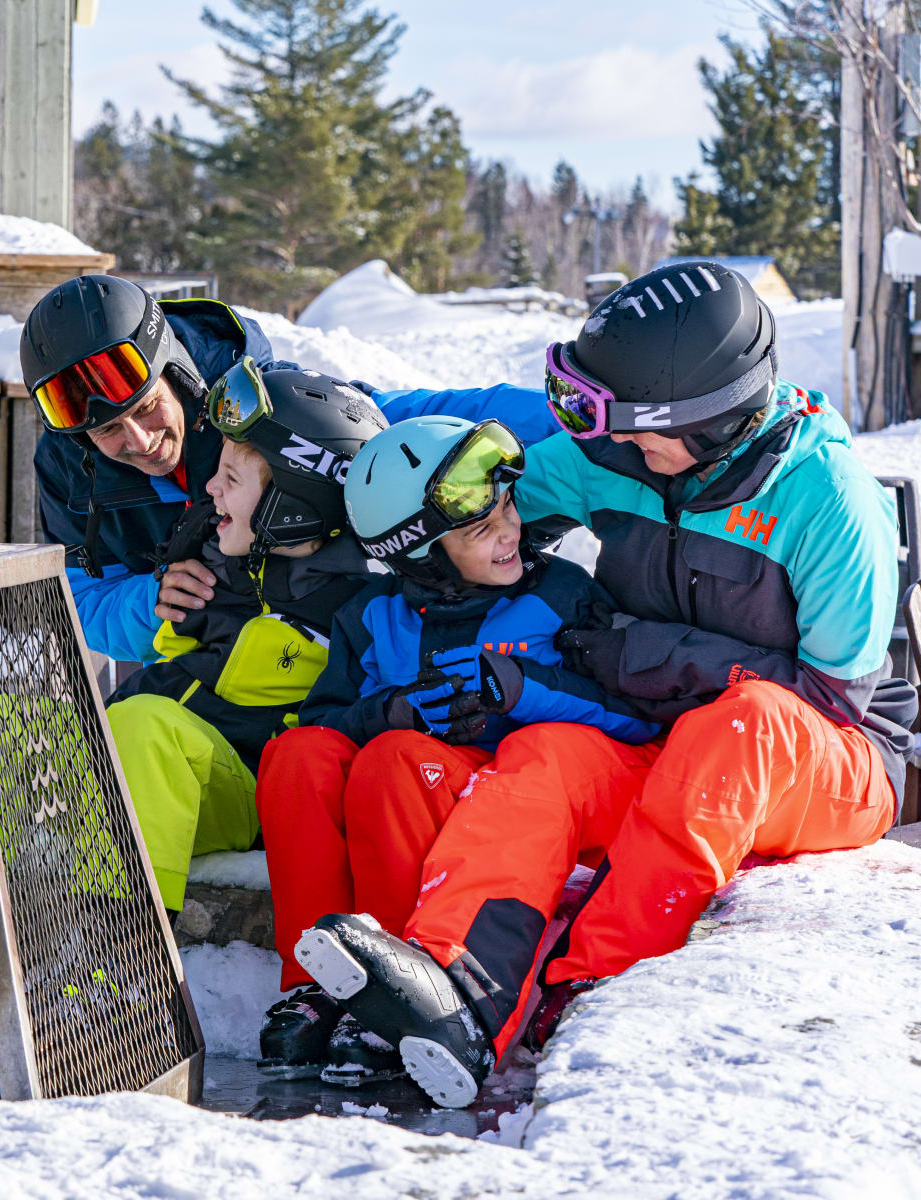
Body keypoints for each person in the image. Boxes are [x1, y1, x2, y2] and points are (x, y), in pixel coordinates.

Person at [290, 260, 917, 1109]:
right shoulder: (617, 460)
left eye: (632, 426)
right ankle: (455, 993)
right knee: (547, 754)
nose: (614, 443)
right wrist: (331, 444)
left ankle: (590, 983)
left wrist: (638, 651)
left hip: (832, 758)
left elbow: (829, 699)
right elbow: (466, 484)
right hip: (663, 733)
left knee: (740, 725)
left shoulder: (828, 500)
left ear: (708, 419)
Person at [256, 415, 660, 1086]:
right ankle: (316, 983)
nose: (509, 532)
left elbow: (633, 716)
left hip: (507, 800)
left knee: (395, 761)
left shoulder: (563, 595)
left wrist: (528, 692)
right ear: (421, 555)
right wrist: (387, 711)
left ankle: (393, 985)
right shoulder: (371, 617)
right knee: (298, 754)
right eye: (480, 529)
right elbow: (326, 721)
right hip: (405, 794)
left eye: (507, 508)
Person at [20, 276, 564, 666]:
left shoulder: (256, 405)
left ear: (176, 370)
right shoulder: (72, 470)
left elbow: (396, 424)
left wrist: (577, 414)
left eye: (145, 409)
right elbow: (81, 598)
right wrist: (148, 602)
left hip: (330, 653)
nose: (138, 442)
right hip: (205, 665)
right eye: (107, 430)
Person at [103, 359, 389, 914]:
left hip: (237, 793)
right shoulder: (213, 564)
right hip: (138, 769)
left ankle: (119, 952)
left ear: (292, 511)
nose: (209, 487)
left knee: (146, 728)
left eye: (231, 480)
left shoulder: (360, 611)